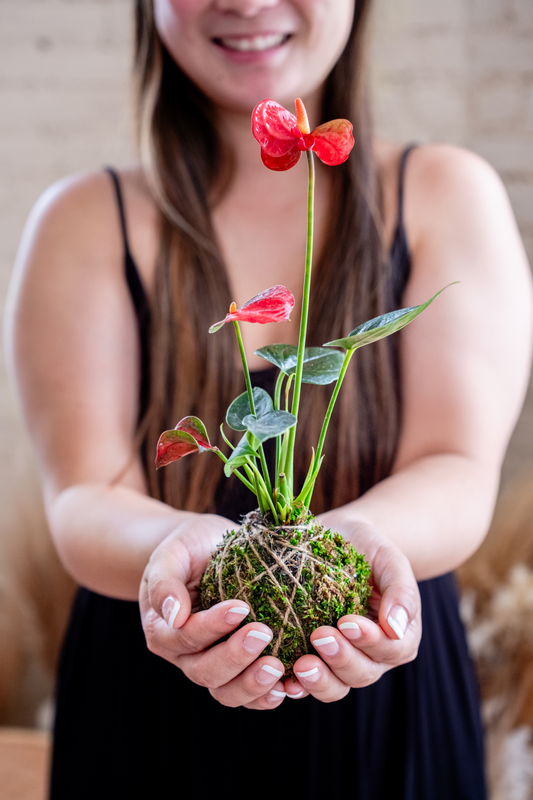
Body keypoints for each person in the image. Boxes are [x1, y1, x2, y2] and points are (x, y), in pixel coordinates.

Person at [4, 0, 532, 797]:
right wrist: (211, 566)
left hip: (382, 705)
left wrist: (330, 556)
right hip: (148, 706)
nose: (246, 1)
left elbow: (455, 466)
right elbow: (85, 494)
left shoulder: (444, 194)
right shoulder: (85, 220)